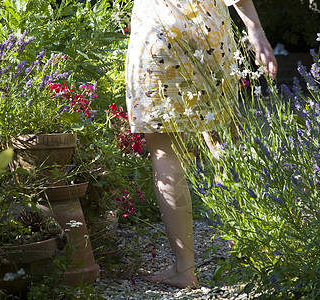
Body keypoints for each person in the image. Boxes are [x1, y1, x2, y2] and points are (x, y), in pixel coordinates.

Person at [125, 0, 277, 288]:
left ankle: (185, 268)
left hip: (158, 31)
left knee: (165, 149)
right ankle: (258, 246)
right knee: (225, 138)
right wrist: (255, 28)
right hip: (210, 31)